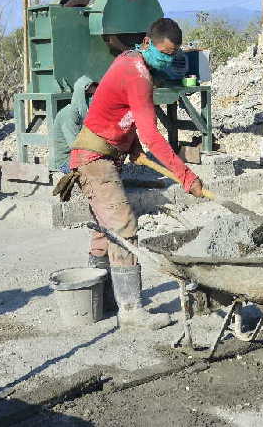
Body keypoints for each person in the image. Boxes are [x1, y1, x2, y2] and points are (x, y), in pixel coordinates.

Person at [69, 18, 204, 329]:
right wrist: (186, 177)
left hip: (103, 156)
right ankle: (131, 312)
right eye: (163, 52)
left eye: (173, 54)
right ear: (146, 42)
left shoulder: (131, 62)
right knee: (125, 227)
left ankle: (101, 301)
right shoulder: (138, 74)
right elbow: (153, 137)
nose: (167, 59)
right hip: (94, 159)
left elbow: (118, 113)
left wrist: (129, 147)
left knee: (105, 231)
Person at [50, 76, 97, 173]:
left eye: (94, 95)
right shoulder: (69, 114)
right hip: (66, 162)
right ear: (81, 96)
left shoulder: (83, 114)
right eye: (88, 96)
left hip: (79, 157)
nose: (92, 99)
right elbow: (75, 145)